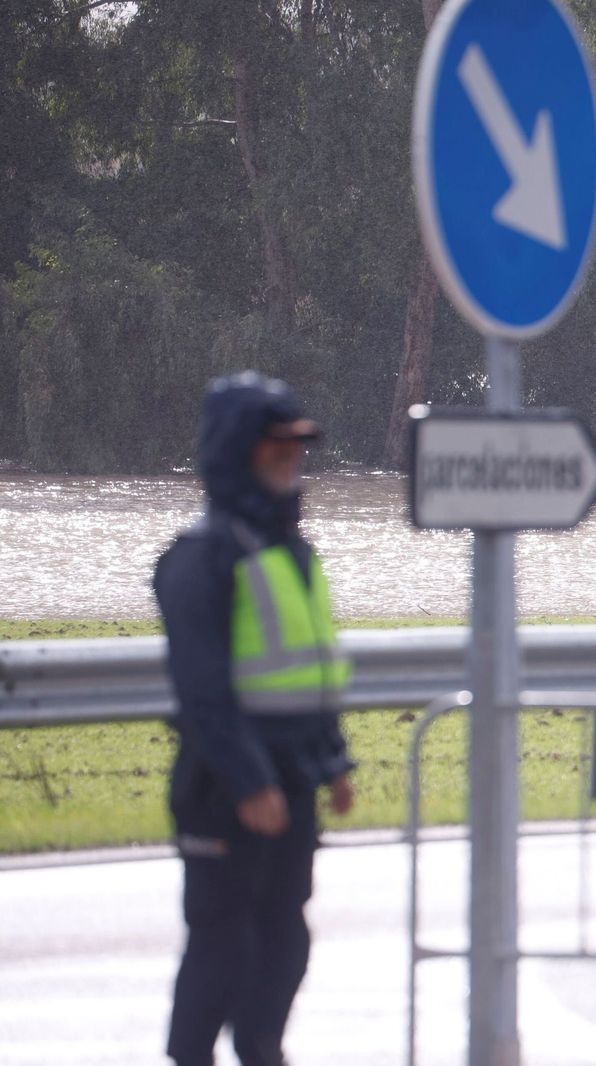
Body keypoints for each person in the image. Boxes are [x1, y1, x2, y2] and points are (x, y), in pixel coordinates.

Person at [154, 371, 355, 1066]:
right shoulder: (201, 556)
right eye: (275, 444)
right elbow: (202, 691)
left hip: (294, 781)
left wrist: (335, 763)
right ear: (238, 448)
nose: (290, 456)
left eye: (297, 445)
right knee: (222, 944)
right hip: (224, 790)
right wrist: (248, 782)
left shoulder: (291, 551)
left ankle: (263, 1053)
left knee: (283, 940)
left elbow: (312, 673)